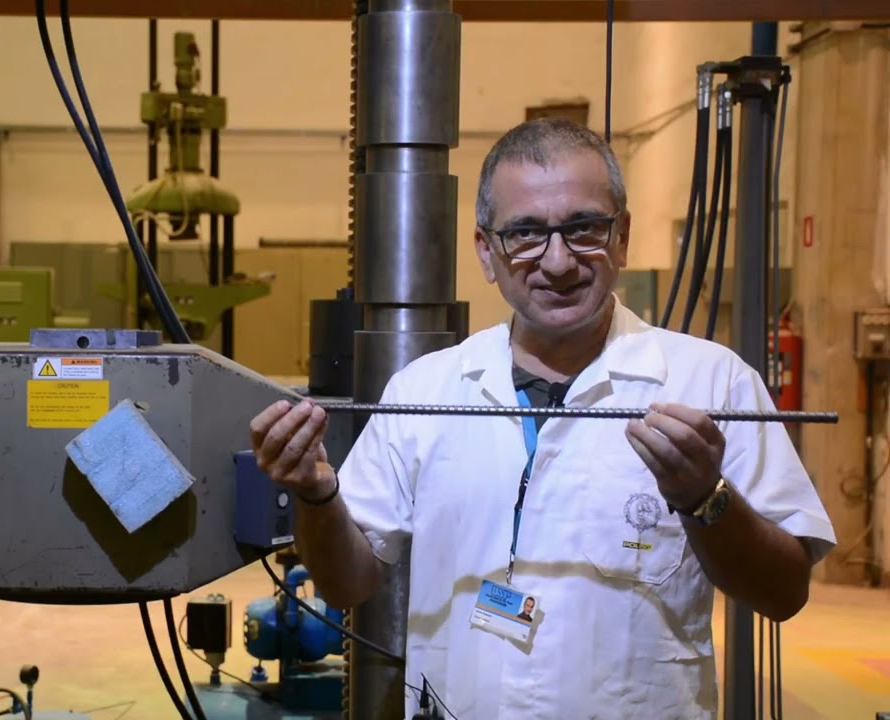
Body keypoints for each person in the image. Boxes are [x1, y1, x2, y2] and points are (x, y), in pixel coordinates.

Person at [249, 117, 836, 719]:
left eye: (584, 228)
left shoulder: (712, 383)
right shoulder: (428, 390)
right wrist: (317, 496)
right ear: (486, 250)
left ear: (623, 236)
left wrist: (705, 499)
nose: (557, 263)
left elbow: (784, 592)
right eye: (525, 234)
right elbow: (347, 585)